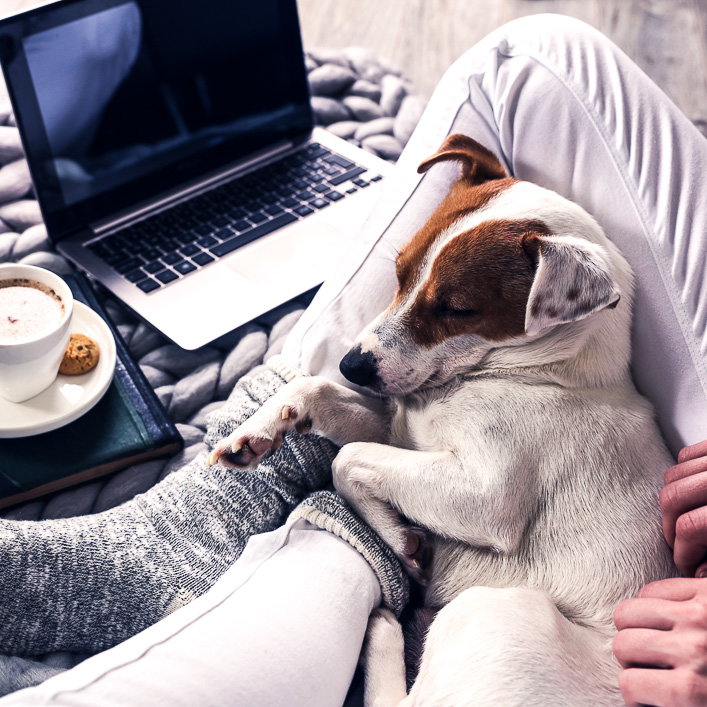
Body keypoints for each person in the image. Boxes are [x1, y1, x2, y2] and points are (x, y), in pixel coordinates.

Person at [0, 12, 705, 706]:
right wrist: (322, 409)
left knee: (529, 65)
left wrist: (356, 466)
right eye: (406, 279)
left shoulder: (549, 382)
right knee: (531, 63)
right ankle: (259, 516)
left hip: (602, 658)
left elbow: (487, 505)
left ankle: (219, 528)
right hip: (604, 606)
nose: (378, 339)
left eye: (452, 312)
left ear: (558, 304)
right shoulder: (517, 375)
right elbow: (423, 448)